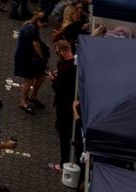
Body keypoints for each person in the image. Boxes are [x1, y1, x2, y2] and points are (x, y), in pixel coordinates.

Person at [15, 11, 50, 114]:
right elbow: (36, 46)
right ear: (39, 21)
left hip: (27, 56)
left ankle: (33, 96)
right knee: (28, 81)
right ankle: (23, 102)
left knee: (41, 75)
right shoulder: (33, 29)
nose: (43, 27)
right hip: (28, 58)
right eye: (43, 25)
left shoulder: (27, 24)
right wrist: (43, 58)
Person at [51, 39, 77, 172]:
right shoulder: (76, 64)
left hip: (63, 105)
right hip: (74, 104)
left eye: (58, 52)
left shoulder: (64, 68)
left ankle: (63, 163)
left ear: (63, 51)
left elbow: (58, 88)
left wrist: (54, 80)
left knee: (63, 135)